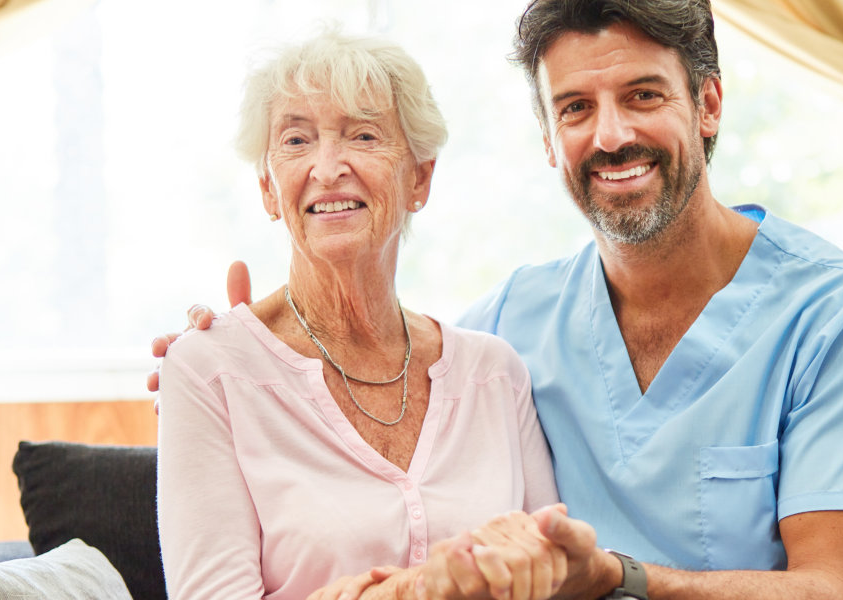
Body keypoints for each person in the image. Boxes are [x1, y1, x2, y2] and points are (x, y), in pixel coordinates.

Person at [154, 1, 843, 598]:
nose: (610, 135)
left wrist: (619, 578)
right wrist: (224, 358)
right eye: (575, 108)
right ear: (547, 138)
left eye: (642, 95)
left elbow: (838, 590)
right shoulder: (508, 332)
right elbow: (365, 375)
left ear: (708, 105)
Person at [154, 29, 573, 600]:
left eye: (364, 134)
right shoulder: (208, 369)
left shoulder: (494, 373)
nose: (328, 168)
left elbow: (553, 575)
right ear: (269, 190)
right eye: (297, 141)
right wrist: (418, 590)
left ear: (419, 179)